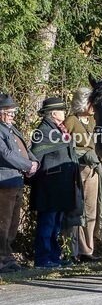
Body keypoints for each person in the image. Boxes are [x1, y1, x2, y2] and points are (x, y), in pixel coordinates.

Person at [30, 97, 81, 268]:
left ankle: (54, 256)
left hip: (61, 186)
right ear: (53, 113)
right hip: (49, 187)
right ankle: (42, 259)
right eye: (62, 111)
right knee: (47, 223)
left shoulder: (59, 129)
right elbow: (35, 157)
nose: (64, 114)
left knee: (56, 225)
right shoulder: (43, 131)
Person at [64, 88, 102, 262]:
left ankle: (88, 250)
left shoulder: (96, 120)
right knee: (76, 210)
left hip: (93, 170)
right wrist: (81, 152)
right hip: (77, 170)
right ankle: (74, 250)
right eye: (90, 102)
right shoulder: (71, 120)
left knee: (91, 210)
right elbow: (64, 145)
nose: (94, 105)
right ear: (83, 102)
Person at [0, 94, 38, 272]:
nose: (13, 116)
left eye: (14, 113)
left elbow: (25, 148)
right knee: (3, 222)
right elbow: (6, 155)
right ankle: (2, 259)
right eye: (10, 113)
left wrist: (34, 161)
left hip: (16, 180)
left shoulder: (12, 129)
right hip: (4, 181)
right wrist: (27, 164)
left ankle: (7, 257)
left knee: (13, 223)